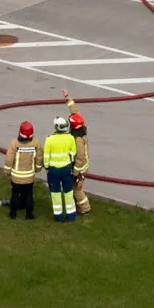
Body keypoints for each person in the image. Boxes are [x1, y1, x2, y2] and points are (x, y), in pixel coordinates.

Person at [43, 114, 79, 221]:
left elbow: (46, 156)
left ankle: (58, 216)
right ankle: (71, 215)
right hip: (66, 169)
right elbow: (73, 153)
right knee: (68, 192)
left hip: (53, 170)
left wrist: (47, 167)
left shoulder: (49, 139)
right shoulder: (70, 138)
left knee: (55, 194)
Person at [62, 90, 92, 218]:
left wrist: (75, 172)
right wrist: (67, 97)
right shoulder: (80, 127)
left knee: (76, 189)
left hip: (79, 168)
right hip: (81, 166)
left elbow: (79, 158)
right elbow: (74, 111)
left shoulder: (78, 140)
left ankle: (84, 207)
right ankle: (80, 204)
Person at [3, 120, 40, 220]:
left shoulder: (14, 143)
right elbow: (39, 159)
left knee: (15, 194)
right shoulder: (36, 143)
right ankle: (29, 215)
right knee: (29, 195)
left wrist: (7, 171)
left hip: (16, 177)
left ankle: (13, 214)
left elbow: (9, 159)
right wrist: (37, 169)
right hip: (29, 177)